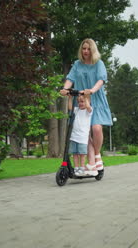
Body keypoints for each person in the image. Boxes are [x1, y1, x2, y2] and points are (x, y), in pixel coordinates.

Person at [60, 38, 112, 175]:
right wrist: (65, 89)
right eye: (84, 48)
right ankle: (92, 162)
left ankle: (96, 155)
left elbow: (101, 80)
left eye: (88, 49)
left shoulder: (98, 64)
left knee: (96, 128)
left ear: (93, 50)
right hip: (81, 99)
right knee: (84, 132)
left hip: (96, 99)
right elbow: (70, 78)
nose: (86, 51)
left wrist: (92, 90)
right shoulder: (77, 64)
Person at [68, 94, 95, 176]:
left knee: (82, 154)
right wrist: (70, 98)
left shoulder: (89, 111)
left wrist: (86, 96)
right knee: (75, 154)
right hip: (74, 136)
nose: (80, 103)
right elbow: (70, 107)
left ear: (87, 102)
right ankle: (76, 168)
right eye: (79, 102)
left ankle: (82, 168)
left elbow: (88, 106)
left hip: (82, 137)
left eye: (82, 101)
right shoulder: (77, 110)